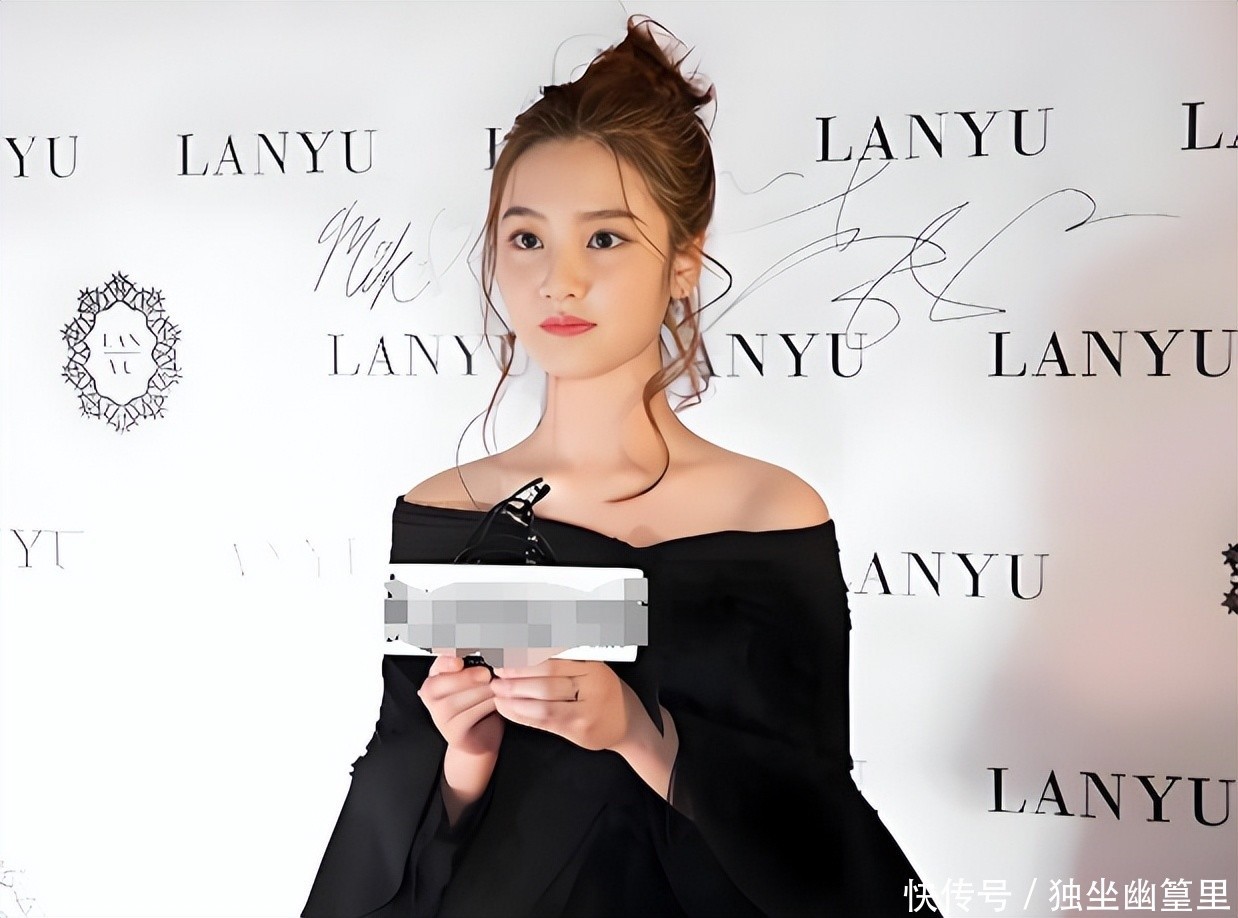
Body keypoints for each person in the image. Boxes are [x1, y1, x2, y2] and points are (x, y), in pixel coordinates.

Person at [303, 16, 931, 918]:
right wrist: (464, 760)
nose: (558, 280)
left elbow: (820, 820)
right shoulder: (445, 514)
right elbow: (398, 791)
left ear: (684, 261)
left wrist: (642, 734)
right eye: (527, 239)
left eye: (604, 239)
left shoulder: (771, 515)